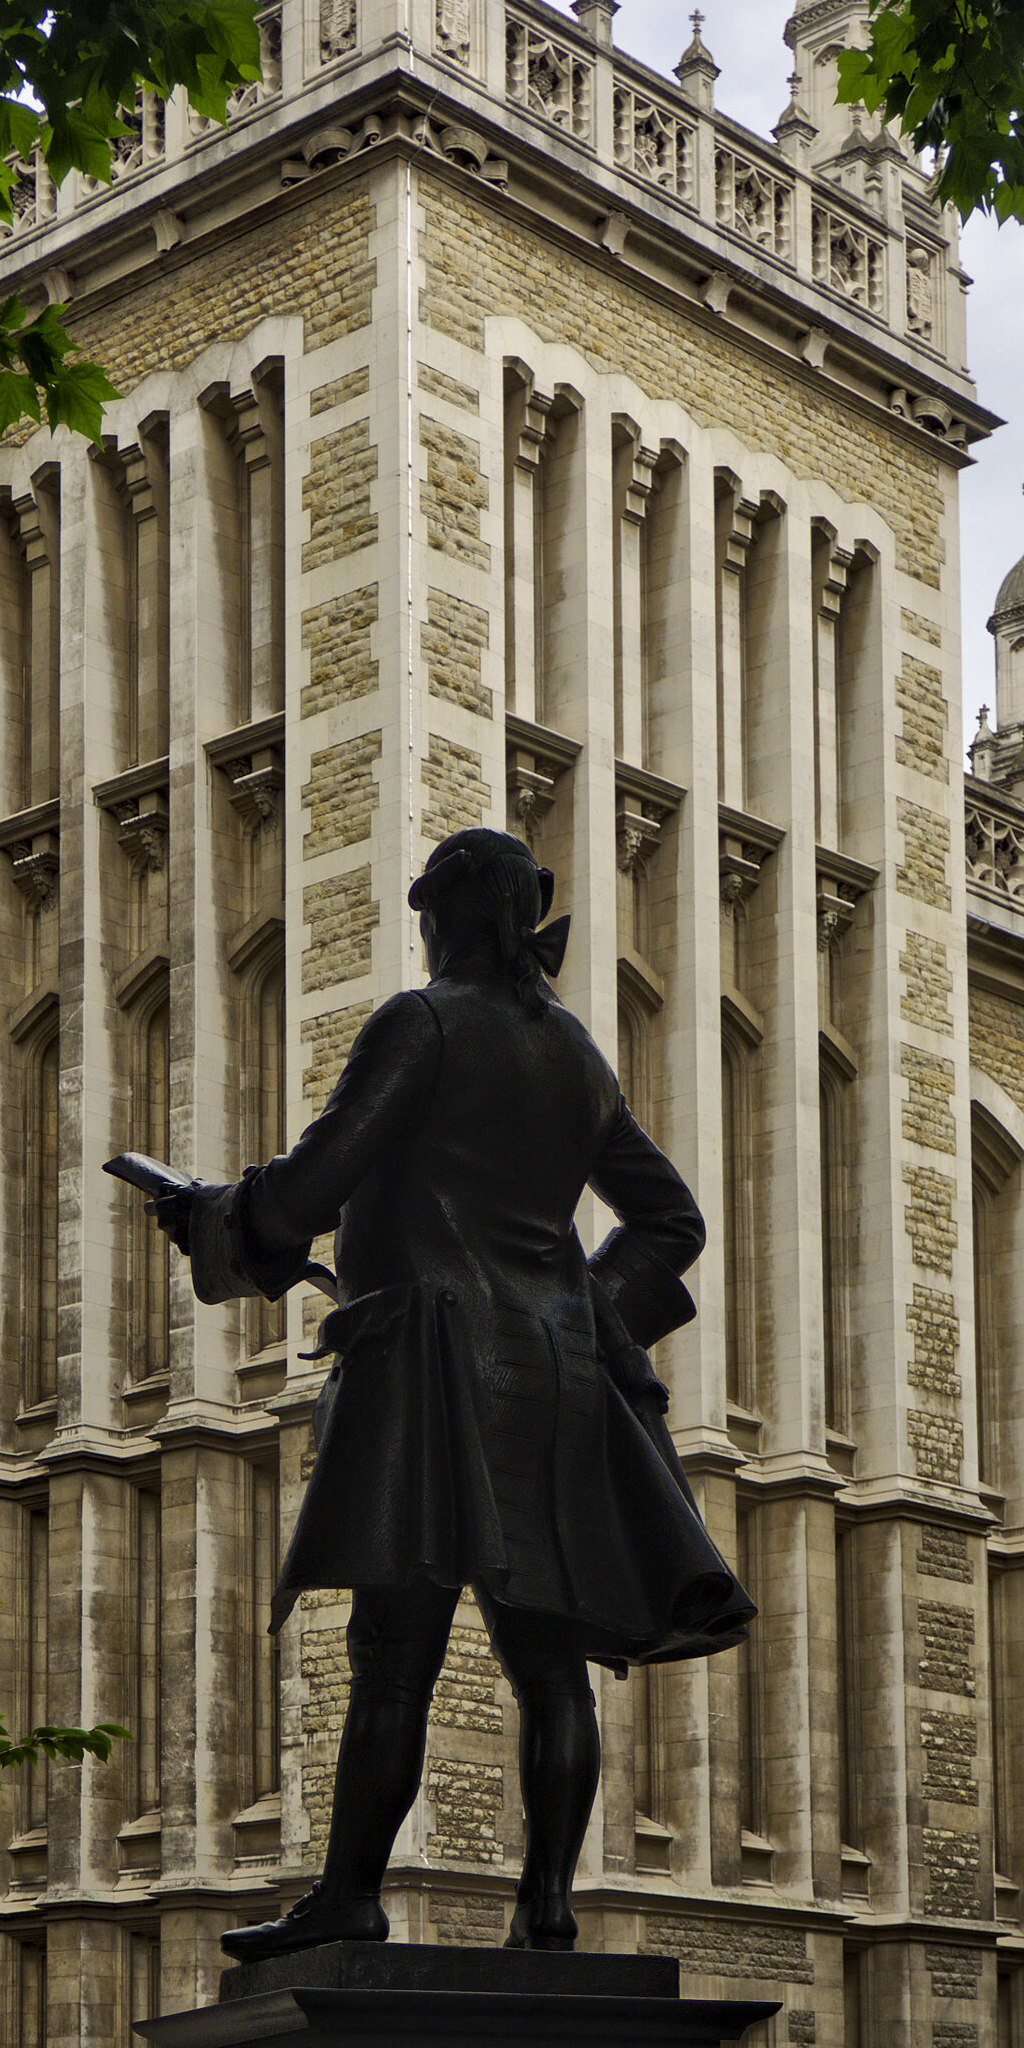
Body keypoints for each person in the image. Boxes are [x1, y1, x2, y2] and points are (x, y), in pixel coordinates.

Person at [153, 827, 752, 1960]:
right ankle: (549, 1907)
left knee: (395, 1650)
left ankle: (350, 1895)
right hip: (555, 1380)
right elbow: (673, 1221)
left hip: (429, 1367)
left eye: (428, 907)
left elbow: (322, 1177)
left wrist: (218, 1217)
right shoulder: (575, 1053)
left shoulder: (420, 1023)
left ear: (460, 918)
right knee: (549, 1660)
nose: (419, 928)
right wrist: (581, 1307)